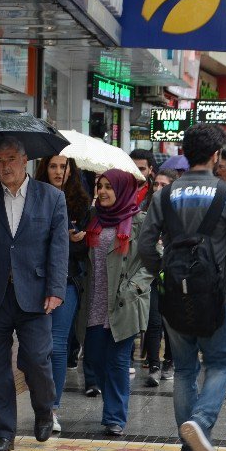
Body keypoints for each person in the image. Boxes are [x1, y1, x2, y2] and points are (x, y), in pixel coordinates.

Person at [138, 124, 226, 451]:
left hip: (173, 295)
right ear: (216, 157)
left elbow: (144, 245)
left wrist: (163, 274)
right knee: (219, 363)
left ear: (185, 154)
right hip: (214, 296)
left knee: (184, 369)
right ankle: (200, 421)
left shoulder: (163, 196)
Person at [0, 136, 69, 451]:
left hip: (35, 294)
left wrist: (56, 289)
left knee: (36, 359)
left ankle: (43, 408)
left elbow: (59, 247)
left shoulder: (50, 198)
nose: (5, 166)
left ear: (25, 161)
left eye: (10, 159)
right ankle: (2, 432)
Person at [74, 169, 152, 435]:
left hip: (123, 302)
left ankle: (115, 416)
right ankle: (112, 407)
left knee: (118, 361)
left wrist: (135, 286)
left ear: (123, 191)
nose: (104, 192)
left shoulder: (139, 221)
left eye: (110, 187)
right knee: (94, 359)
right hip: (95, 300)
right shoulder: (93, 218)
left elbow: (154, 258)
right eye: (101, 186)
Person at [34, 154, 90, 432]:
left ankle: (51, 408)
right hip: (34, 280)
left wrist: (73, 241)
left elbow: (85, 249)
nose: (58, 171)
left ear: (71, 170)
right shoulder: (34, 197)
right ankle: (40, 403)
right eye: (53, 166)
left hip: (68, 280)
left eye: (63, 166)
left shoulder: (80, 203)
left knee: (57, 346)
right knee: (35, 349)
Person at [143, 168, 178, 387]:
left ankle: (170, 361)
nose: (157, 189)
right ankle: (154, 364)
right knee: (153, 320)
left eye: (163, 185)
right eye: (156, 184)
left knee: (170, 322)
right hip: (154, 271)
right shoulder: (148, 208)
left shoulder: (178, 210)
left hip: (173, 273)